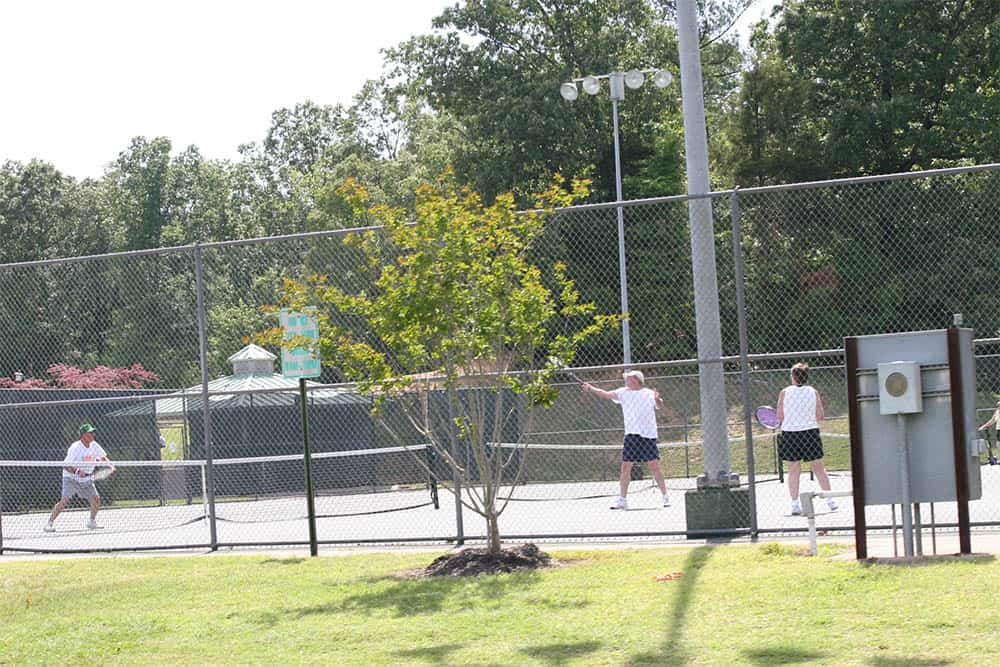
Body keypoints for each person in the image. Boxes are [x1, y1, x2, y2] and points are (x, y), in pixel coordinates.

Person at [581, 369, 669, 510]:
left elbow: (659, 405)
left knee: (654, 466)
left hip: (648, 435)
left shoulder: (648, 393)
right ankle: (622, 499)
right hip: (631, 435)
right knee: (625, 467)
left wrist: (658, 399)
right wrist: (591, 388)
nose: (626, 380)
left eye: (628, 378)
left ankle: (665, 497)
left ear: (636, 380)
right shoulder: (622, 392)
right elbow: (605, 394)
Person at [776, 363, 837, 515]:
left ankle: (795, 505)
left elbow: (779, 416)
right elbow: (820, 416)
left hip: (790, 434)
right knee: (819, 468)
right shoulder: (813, 392)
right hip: (810, 433)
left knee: (793, 470)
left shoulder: (784, 392)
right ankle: (830, 500)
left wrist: (793, 417)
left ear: (793, 376)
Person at [44, 423, 114, 532]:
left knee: (96, 499)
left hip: (86, 479)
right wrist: (77, 471)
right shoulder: (75, 447)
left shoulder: (94, 445)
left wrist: (111, 466)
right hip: (71, 478)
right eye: (89, 433)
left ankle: (91, 522)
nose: (92, 434)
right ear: (83, 435)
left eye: (93, 432)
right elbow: (65, 464)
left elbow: (103, 457)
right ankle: (49, 523)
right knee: (65, 500)